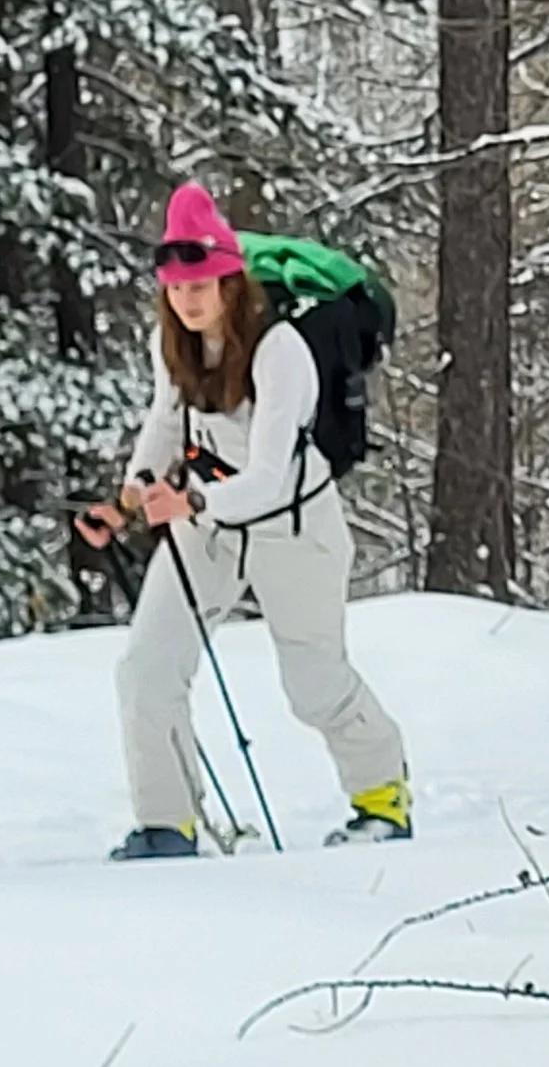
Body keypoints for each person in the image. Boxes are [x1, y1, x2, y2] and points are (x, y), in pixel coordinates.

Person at [74, 182, 411, 858]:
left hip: (294, 526)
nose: (188, 299)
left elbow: (266, 474)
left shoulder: (279, 349)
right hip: (206, 525)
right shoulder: (173, 342)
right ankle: (167, 824)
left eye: (201, 285)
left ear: (231, 281)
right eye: (176, 287)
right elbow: (166, 422)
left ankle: (382, 799)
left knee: (313, 684)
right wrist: (129, 499)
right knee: (146, 669)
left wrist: (191, 502)